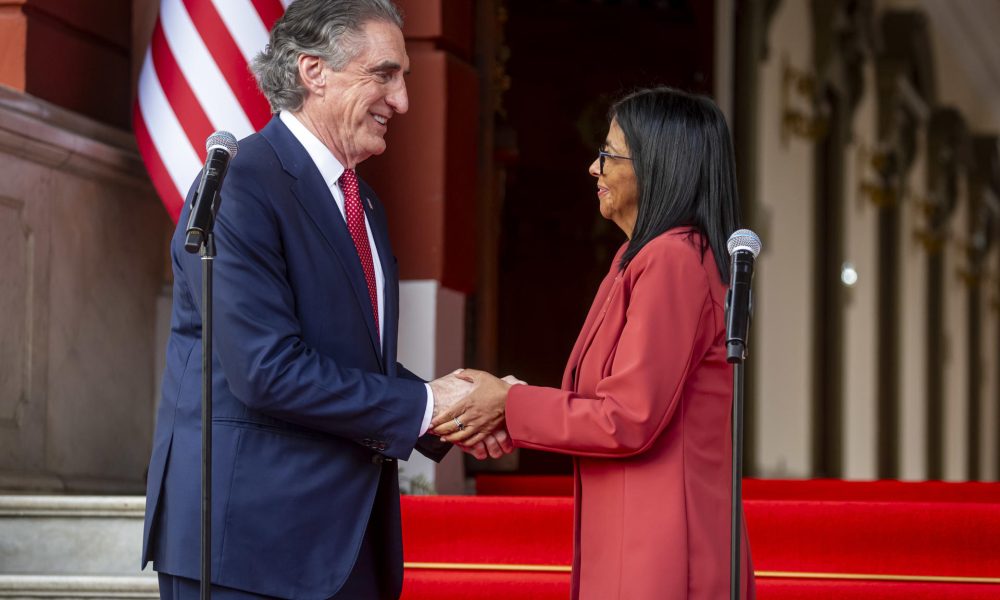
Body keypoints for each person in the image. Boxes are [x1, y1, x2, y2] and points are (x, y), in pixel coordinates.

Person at [141, 1, 509, 598]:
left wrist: (455, 414)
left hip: (339, 540)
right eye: (384, 75)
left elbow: (342, 357)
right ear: (314, 72)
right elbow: (266, 369)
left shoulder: (361, 202)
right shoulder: (241, 184)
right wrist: (424, 403)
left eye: (405, 79)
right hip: (247, 548)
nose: (402, 101)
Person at [434, 87, 756, 599]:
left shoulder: (673, 261)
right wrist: (506, 408)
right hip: (635, 535)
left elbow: (626, 417)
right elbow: (600, 405)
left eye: (608, 153)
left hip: (664, 550)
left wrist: (510, 405)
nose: (593, 168)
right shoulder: (639, 256)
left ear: (657, 165)